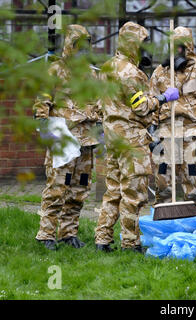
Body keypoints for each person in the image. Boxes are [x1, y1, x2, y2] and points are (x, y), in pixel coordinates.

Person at [94, 22, 178, 253]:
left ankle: (103, 239)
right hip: (131, 139)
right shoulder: (131, 72)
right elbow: (141, 107)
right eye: (142, 44)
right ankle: (131, 243)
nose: (145, 50)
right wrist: (163, 98)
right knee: (134, 193)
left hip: (112, 138)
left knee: (113, 190)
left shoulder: (108, 67)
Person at [33, 25, 101, 250]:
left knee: (80, 189)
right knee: (57, 187)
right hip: (63, 139)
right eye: (79, 46)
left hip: (86, 143)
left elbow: (101, 104)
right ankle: (46, 235)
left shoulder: (92, 74)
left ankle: (68, 233)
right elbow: (42, 101)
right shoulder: (54, 71)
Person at [149, 26, 196, 213]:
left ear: (187, 46)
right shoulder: (160, 72)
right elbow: (152, 101)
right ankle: (164, 217)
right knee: (163, 178)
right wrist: (151, 130)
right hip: (166, 131)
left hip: (192, 132)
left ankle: (194, 217)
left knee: (193, 179)